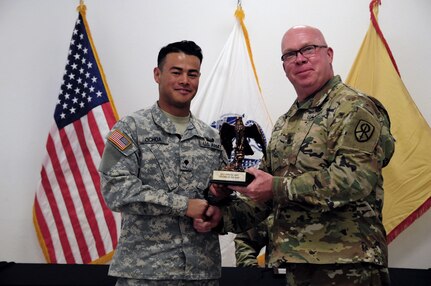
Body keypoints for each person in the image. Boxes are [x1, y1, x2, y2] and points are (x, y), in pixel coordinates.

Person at [195, 25, 395, 285]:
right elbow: (264, 199)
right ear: (284, 66)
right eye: (290, 54)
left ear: (329, 54)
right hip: (295, 267)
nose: (300, 59)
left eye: (309, 49)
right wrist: (222, 216)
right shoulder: (284, 123)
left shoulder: (355, 107)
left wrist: (276, 187)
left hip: (348, 266)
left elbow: (354, 180)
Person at [99, 40, 227, 286]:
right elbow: (116, 190)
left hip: (201, 273)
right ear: (157, 75)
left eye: (193, 74)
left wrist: (217, 203)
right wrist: (183, 205)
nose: (185, 81)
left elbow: (221, 194)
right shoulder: (130, 129)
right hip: (145, 272)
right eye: (176, 72)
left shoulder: (210, 137)